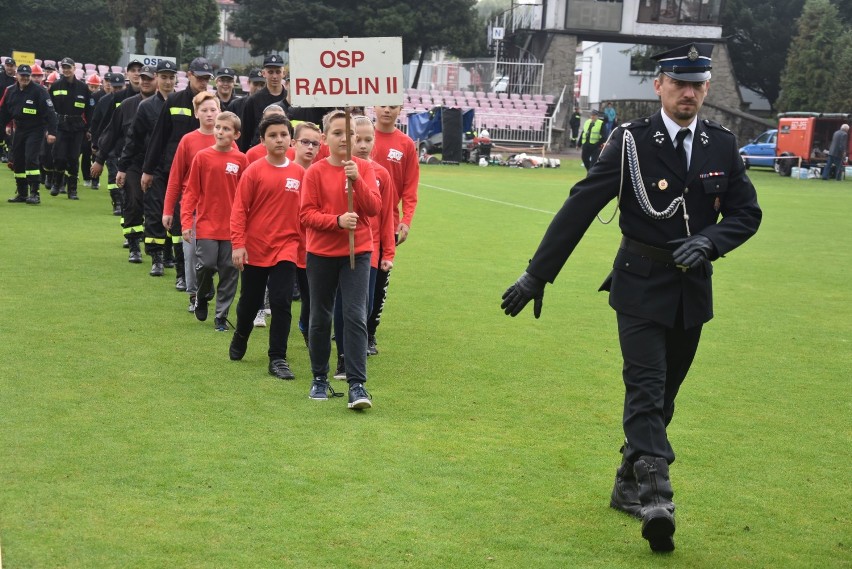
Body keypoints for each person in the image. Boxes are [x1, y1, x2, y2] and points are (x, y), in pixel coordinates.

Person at [500, 43, 762, 553]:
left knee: (664, 398)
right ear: (659, 84)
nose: (688, 93)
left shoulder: (722, 145)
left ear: (707, 89)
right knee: (645, 387)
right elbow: (580, 206)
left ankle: (626, 479)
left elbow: (745, 214)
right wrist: (538, 275)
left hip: (692, 289)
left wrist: (710, 241)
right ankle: (656, 497)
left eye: (697, 85)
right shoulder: (629, 143)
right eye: (678, 83)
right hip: (638, 284)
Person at [300, 110, 381, 409]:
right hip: (321, 253)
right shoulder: (315, 172)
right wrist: (336, 221)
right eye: (337, 133)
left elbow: (373, 208)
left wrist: (358, 180)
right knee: (320, 317)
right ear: (325, 139)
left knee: (355, 314)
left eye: (349, 134)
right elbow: (305, 215)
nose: (344, 139)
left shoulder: (363, 168)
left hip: (357, 252)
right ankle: (319, 377)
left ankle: (357, 384)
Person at [228, 114, 305, 380]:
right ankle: (241, 334)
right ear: (263, 141)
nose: (279, 140)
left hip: (287, 248)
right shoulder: (253, 171)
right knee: (249, 303)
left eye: (283, 135)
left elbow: (305, 213)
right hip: (255, 248)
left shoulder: (299, 173)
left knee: (282, 302)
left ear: (291, 139)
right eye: (273, 135)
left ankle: (278, 358)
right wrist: (238, 245)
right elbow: (239, 210)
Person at [331, 115, 396, 380]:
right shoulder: (334, 169)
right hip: (338, 249)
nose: (363, 144)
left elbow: (387, 215)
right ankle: (343, 359)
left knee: (363, 308)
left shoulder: (381, 174)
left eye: (369, 139)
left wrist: (388, 253)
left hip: (369, 250)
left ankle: (355, 349)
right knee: (341, 305)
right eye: (358, 138)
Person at [143, 57, 213, 278]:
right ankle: (176, 269)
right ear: (189, 75)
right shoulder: (173, 101)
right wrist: (148, 169)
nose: (203, 82)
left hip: (204, 175)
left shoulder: (212, 105)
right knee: (171, 218)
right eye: (199, 78)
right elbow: (159, 137)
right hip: (170, 169)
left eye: (206, 79)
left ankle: (194, 269)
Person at [180, 111, 247, 332]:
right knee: (206, 265)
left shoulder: (241, 160)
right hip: (207, 224)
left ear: (236, 134)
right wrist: (186, 222)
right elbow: (191, 192)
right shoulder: (202, 157)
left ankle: (221, 316)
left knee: (229, 271)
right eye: (218, 127)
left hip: (232, 228)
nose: (220, 131)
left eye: (226, 129)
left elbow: (246, 195)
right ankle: (203, 294)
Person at [367, 104, 420, 355]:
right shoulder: (361, 135)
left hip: (387, 223)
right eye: (383, 105)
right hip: (357, 221)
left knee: (379, 281)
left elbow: (410, 188)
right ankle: (347, 325)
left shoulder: (406, 144)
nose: (387, 110)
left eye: (393, 106)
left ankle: (369, 333)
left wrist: (406, 220)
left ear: (400, 109)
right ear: (374, 106)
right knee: (349, 276)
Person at [163, 91, 221, 299]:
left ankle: (206, 285)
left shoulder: (227, 141)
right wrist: (168, 210)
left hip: (219, 209)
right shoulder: (188, 141)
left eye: (213, 110)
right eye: (204, 110)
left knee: (215, 258)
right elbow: (175, 178)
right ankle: (194, 294)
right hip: (193, 207)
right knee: (191, 253)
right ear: (196, 113)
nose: (209, 114)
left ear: (219, 112)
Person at [0, 64, 58, 204]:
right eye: (22, 75)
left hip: (36, 129)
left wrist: (52, 132)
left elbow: (51, 113)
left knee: (31, 158)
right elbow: (3, 112)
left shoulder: (40, 91)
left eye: (27, 75)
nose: (25, 78)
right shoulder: (10, 91)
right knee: (17, 160)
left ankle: (35, 193)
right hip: (18, 128)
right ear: (17, 76)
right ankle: (22, 193)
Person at [291, 121, 323, 346]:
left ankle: (305, 324)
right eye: (305, 142)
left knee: (311, 297)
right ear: (293, 143)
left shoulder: (321, 173)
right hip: (282, 245)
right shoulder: (283, 169)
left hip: (310, 246)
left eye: (315, 143)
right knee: (280, 298)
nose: (309, 147)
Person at [49, 57, 90, 200]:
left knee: (73, 158)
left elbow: (89, 110)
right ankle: (57, 183)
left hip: (77, 127)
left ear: (74, 69)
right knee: (59, 157)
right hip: (60, 125)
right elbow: (49, 109)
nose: (66, 70)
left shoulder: (83, 88)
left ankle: (72, 190)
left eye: (68, 67)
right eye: (64, 67)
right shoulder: (55, 86)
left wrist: (89, 129)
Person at [237, 54, 288, 152]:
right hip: (260, 152)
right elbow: (245, 134)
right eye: (270, 72)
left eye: (278, 72)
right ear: (264, 73)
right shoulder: (253, 101)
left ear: (284, 73)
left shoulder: (290, 99)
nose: (274, 76)